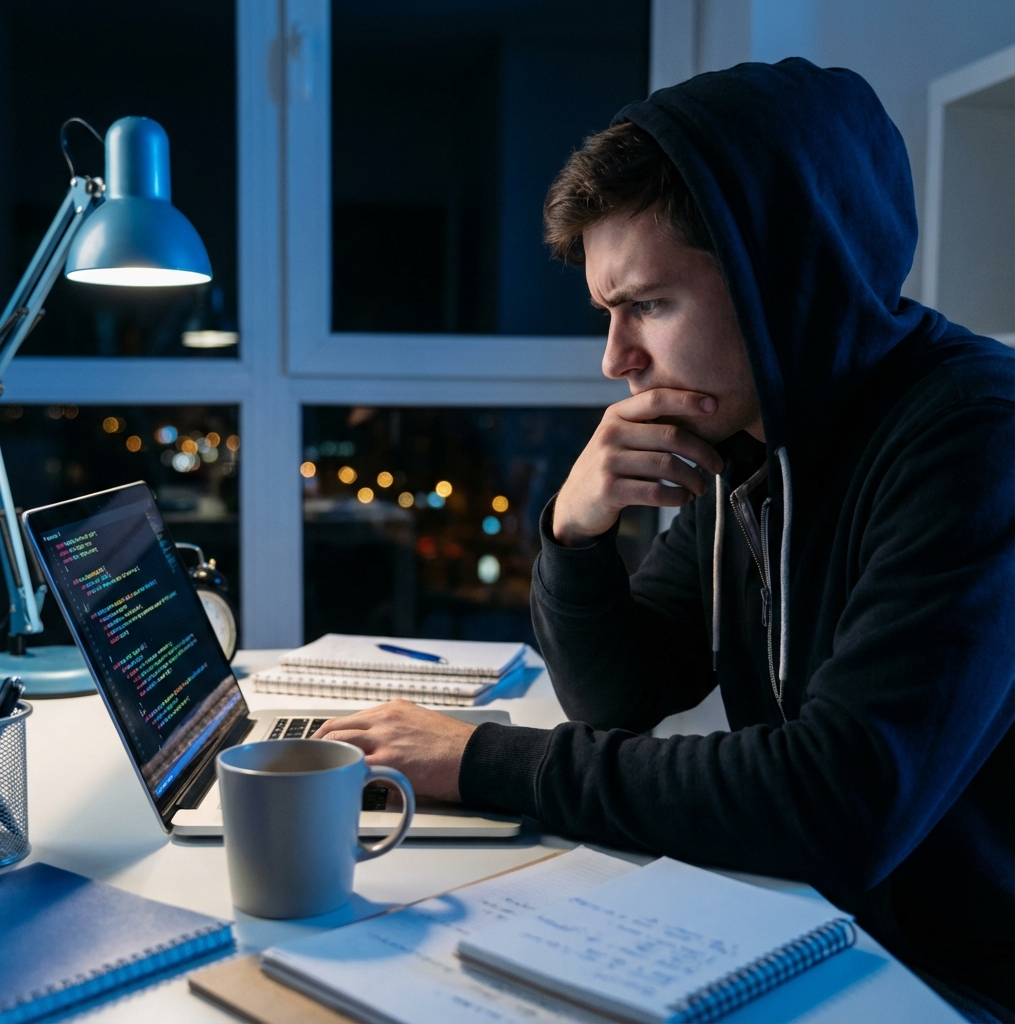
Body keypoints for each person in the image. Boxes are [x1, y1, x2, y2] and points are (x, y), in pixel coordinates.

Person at [314, 59, 1014, 1019]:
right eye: (609, 312)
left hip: (951, 982)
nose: (617, 359)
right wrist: (575, 533)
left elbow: (838, 802)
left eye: (647, 305)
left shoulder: (978, 439)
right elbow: (622, 697)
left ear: (784, 277)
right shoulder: (748, 443)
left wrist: (477, 760)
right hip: (816, 931)